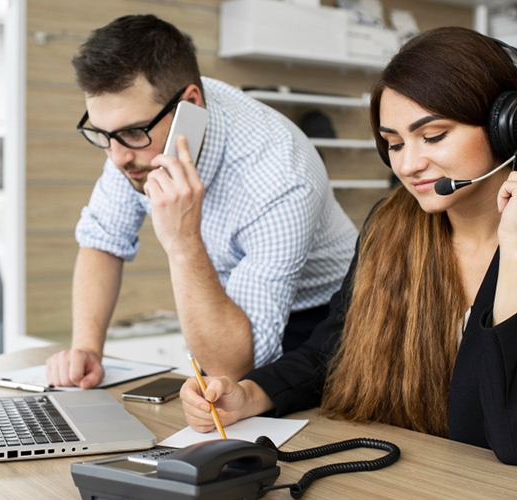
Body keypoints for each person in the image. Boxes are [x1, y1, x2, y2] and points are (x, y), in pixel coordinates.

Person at [181, 27, 517, 476]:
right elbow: (333, 349)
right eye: (395, 143)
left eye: (433, 136)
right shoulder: (391, 226)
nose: (408, 164)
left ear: (506, 127)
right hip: (403, 474)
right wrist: (251, 394)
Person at [45, 15, 358, 387]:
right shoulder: (133, 143)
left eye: (132, 132)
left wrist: (182, 241)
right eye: (103, 135)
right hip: (228, 304)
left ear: (190, 105)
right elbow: (103, 240)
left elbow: (233, 368)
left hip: (325, 314)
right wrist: (86, 348)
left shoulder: (281, 174)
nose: (116, 158)